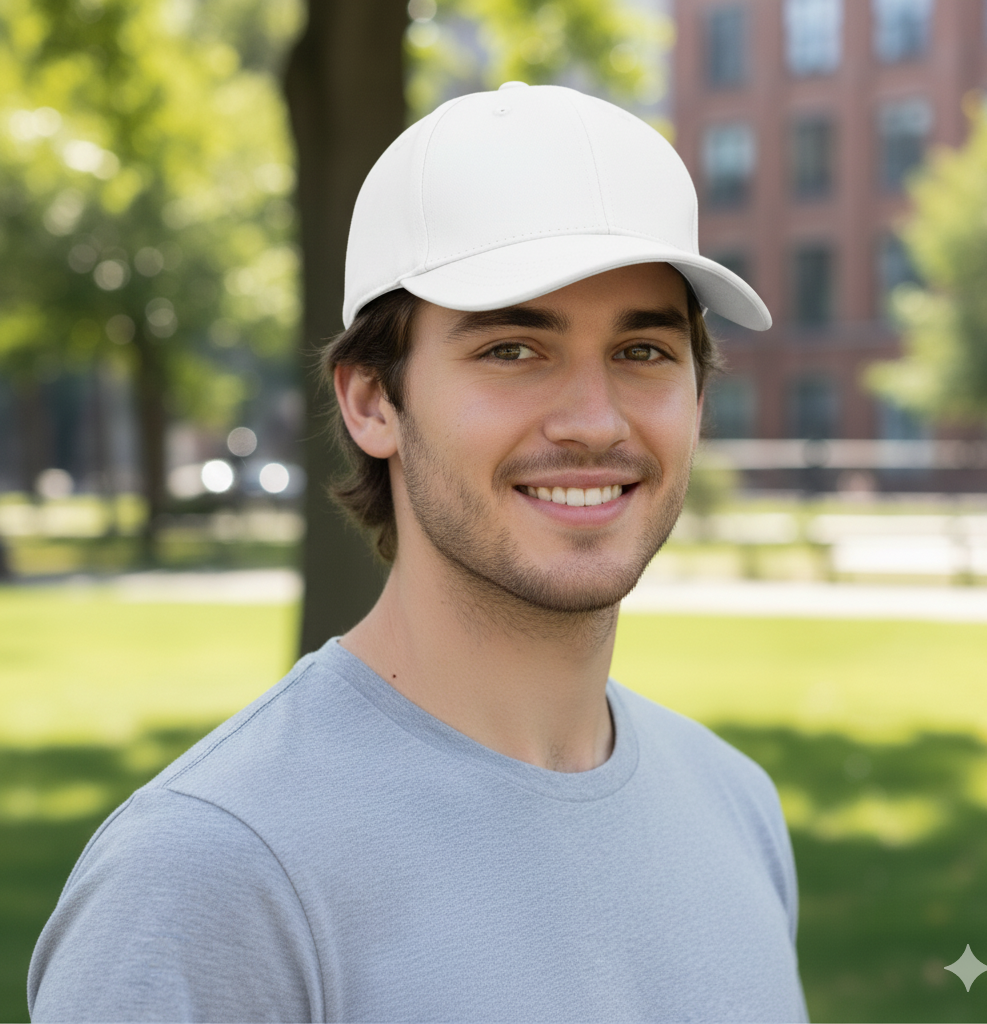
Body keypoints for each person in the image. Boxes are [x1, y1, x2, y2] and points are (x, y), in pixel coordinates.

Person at [29, 83, 807, 1023]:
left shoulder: (736, 807)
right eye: (513, 349)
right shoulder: (211, 875)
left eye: (643, 352)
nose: (595, 421)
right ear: (371, 403)